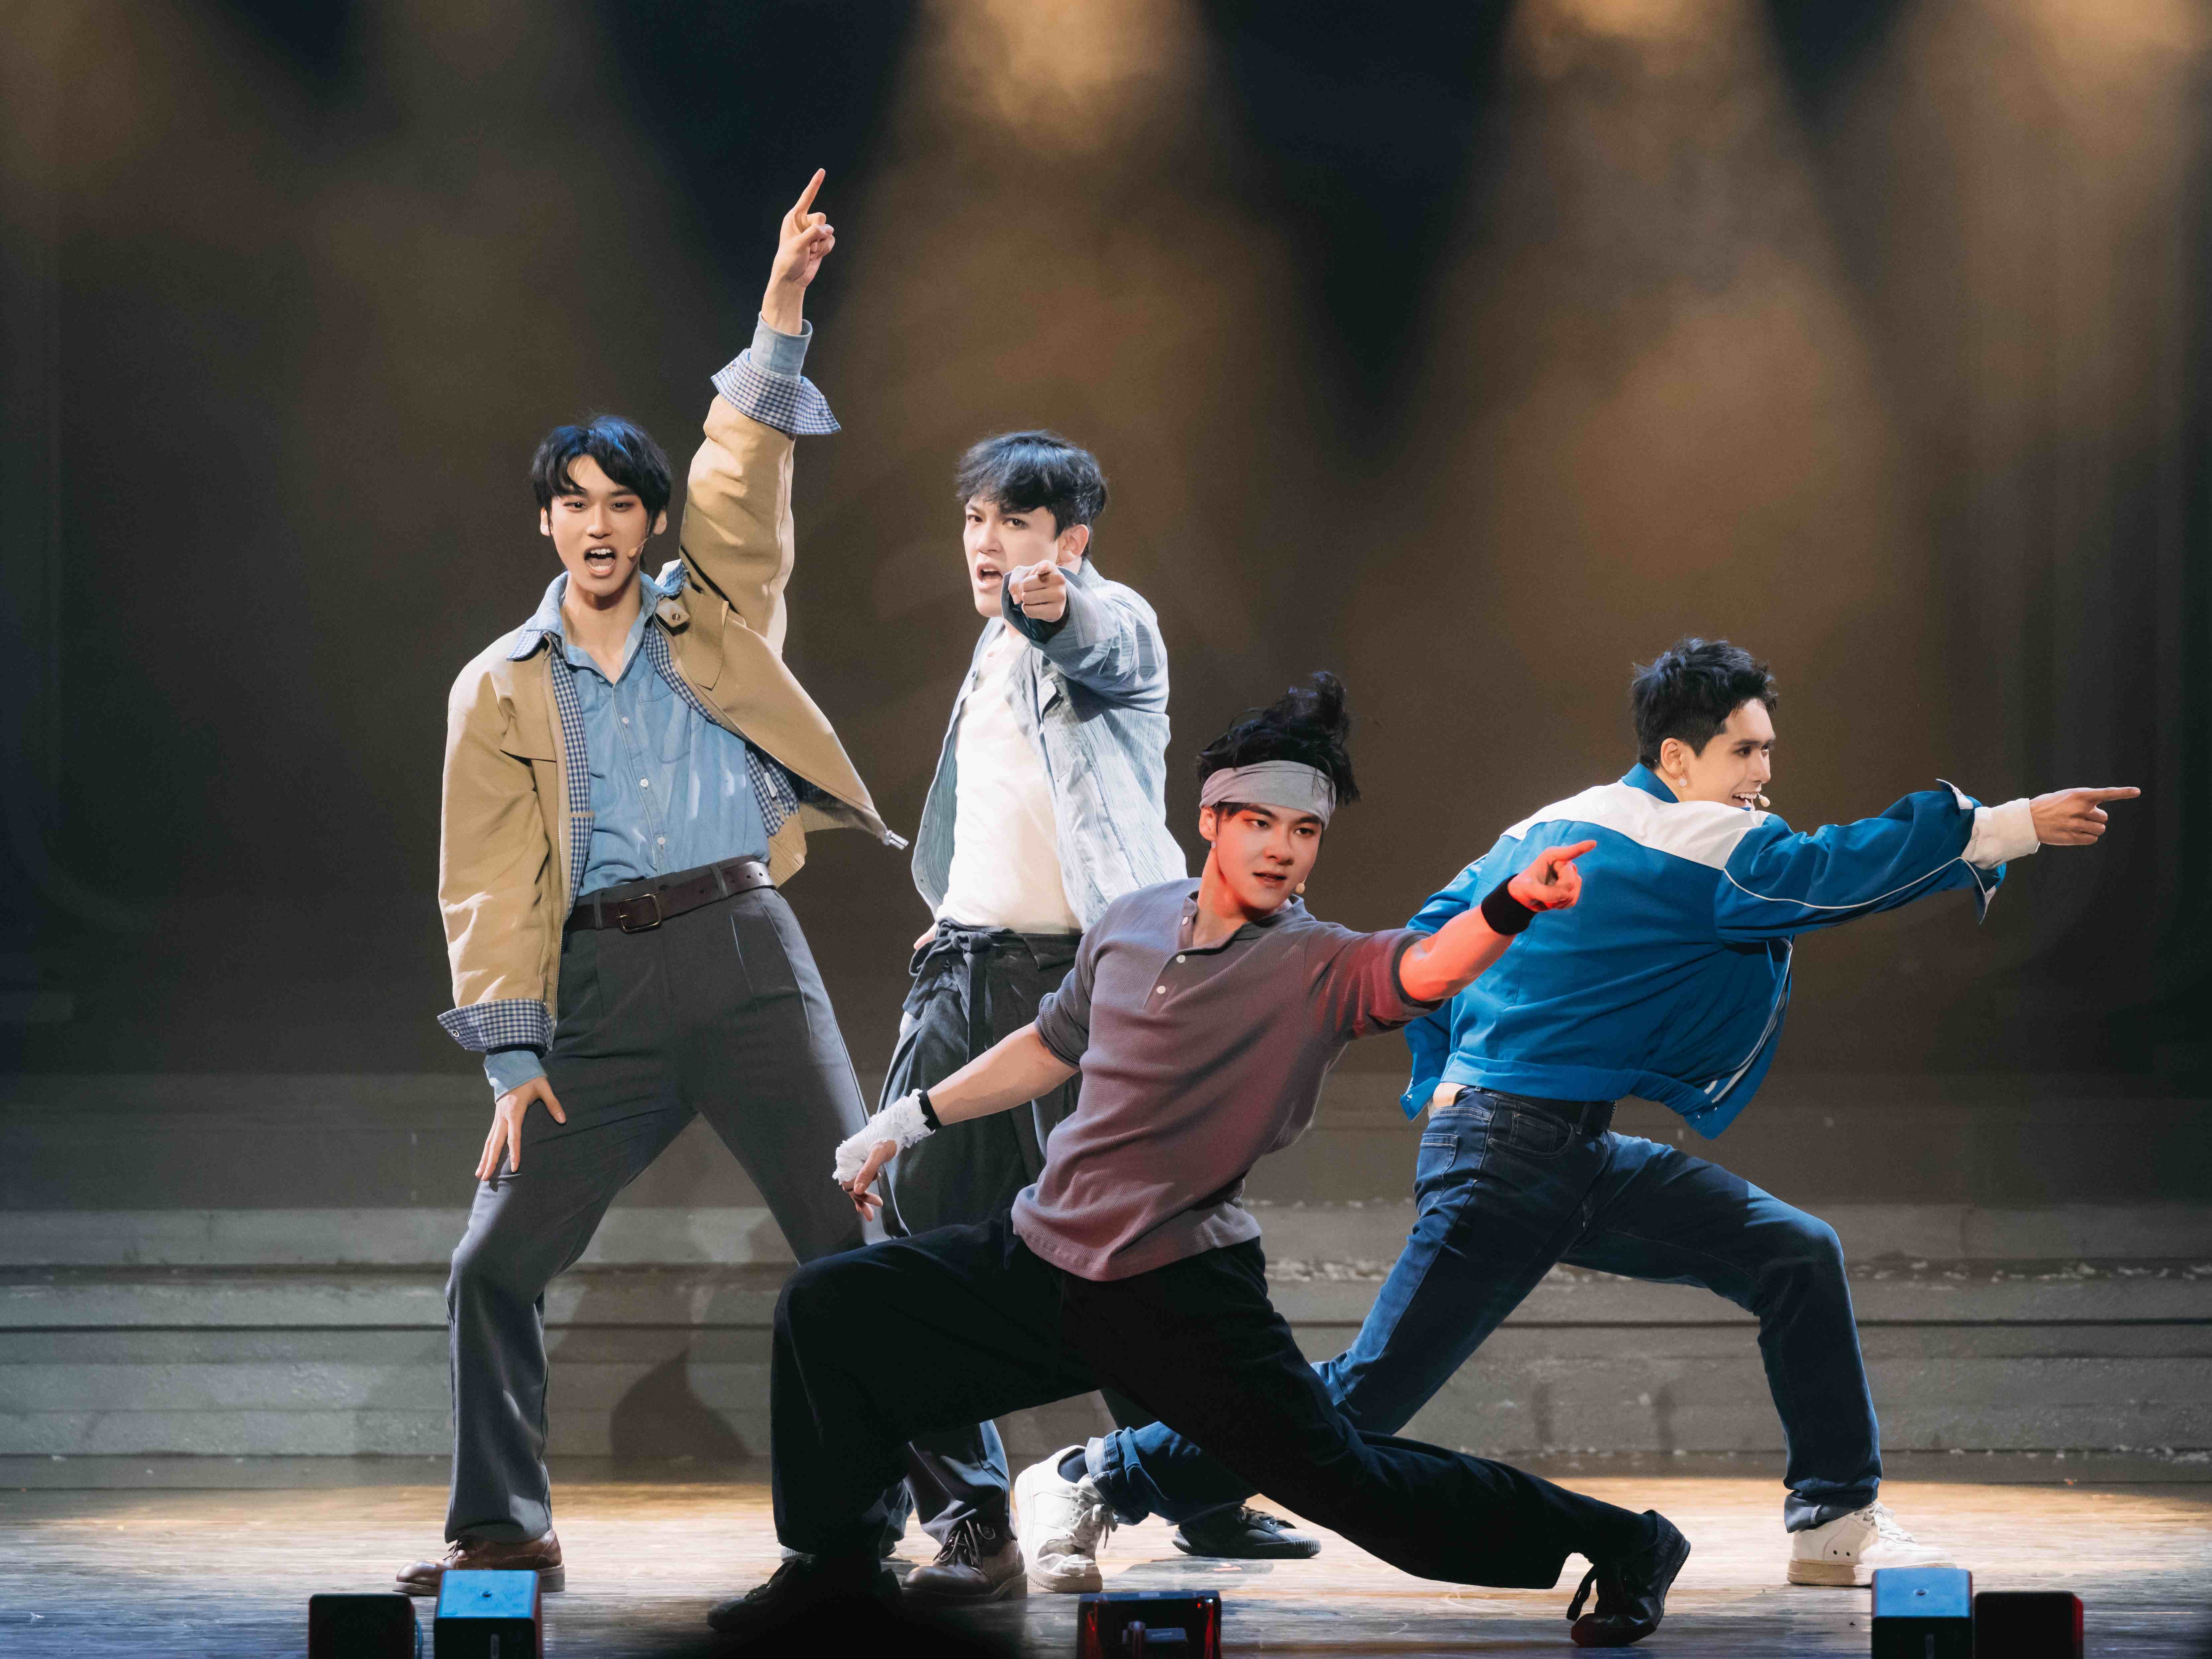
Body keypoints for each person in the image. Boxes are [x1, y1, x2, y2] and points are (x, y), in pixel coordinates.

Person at [1063, 637, 2140, 1590]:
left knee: (1794, 1253)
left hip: (1563, 1147)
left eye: (1766, 752)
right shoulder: (1699, 840)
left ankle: (1833, 1519)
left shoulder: (1555, 821)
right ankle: (1101, 1476)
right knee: (1365, 1398)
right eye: (1745, 752)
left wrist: (1448, 1072)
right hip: (1509, 1155)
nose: (1763, 775)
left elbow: (1438, 927)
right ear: (1677, 757)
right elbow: (1826, 873)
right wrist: (2005, 826)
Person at [710, 675, 1694, 1651]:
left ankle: (1627, 1543)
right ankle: (835, 1568)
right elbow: (1049, 1045)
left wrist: (1512, 904)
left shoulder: (1318, 965)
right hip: (1042, 1259)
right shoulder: (1129, 923)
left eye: (1303, 831)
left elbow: (1424, 967)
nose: (1282, 848)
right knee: (831, 1308)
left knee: (1347, 1482)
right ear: (1212, 820)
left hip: (1178, 1288)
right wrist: (906, 1118)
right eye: (1260, 822)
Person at [399, 173, 906, 1596]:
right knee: (492, 1262)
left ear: (653, 521)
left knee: (855, 1231)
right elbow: (487, 880)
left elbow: (743, 473)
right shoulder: (499, 686)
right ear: (545, 524)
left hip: (742, 950)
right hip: (603, 989)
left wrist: (783, 304)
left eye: (622, 502)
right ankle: (503, 1526)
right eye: (574, 504)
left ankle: (968, 1498)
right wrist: (512, 1058)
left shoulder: (715, 611)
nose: (599, 524)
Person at [880, 432, 1201, 1605]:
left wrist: (1053, 602)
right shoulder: (986, 649)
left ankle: (1196, 1477)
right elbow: (996, 810)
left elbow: (1097, 639)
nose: (986, 542)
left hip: (1079, 986)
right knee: (903, 1243)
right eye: (975, 519)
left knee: (1118, 1249)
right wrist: (947, 914)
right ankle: (971, 1516)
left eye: (1014, 522)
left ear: (1070, 540)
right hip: (961, 978)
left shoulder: (1114, 621)